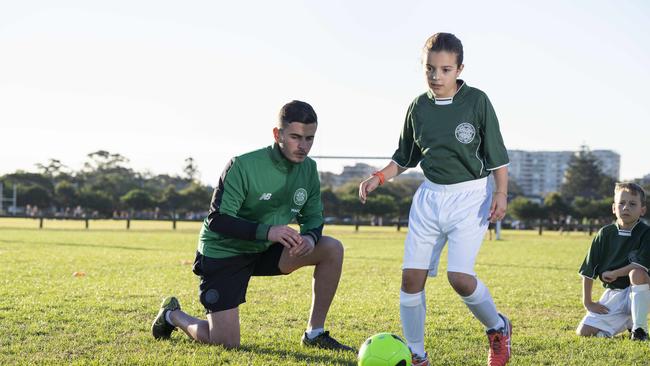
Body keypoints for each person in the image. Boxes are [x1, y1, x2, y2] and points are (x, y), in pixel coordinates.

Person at [358, 32, 511, 366]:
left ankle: (498, 328)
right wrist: (379, 177)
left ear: (459, 68)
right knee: (411, 278)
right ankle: (416, 354)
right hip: (429, 199)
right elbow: (404, 156)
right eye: (430, 68)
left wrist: (501, 193)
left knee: (459, 278)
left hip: (471, 197)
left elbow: (497, 156)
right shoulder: (418, 107)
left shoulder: (477, 101)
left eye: (444, 69)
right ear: (422, 67)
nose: (436, 76)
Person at [151, 100, 353, 351]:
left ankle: (315, 334)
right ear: (277, 134)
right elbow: (218, 220)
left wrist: (310, 238)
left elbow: (312, 217)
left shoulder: (309, 169)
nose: (303, 146)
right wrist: (268, 231)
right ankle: (173, 315)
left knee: (332, 248)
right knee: (225, 342)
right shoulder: (243, 165)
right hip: (225, 252)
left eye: (310, 138)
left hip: (266, 248)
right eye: (296, 137)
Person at [577, 182, 650, 340]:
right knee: (584, 332)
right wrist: (588, 302)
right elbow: (588, 270)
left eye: (632, 204)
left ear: (642, 210)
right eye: (621, 203)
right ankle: (627, 322)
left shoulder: (646, 233)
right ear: (613, 208)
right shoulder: (605, 234)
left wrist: (615, 273)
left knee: (637, 273)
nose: (625, 208)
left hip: (642, 291)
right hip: (615, 294)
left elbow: (640, 266)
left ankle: (640, 330)